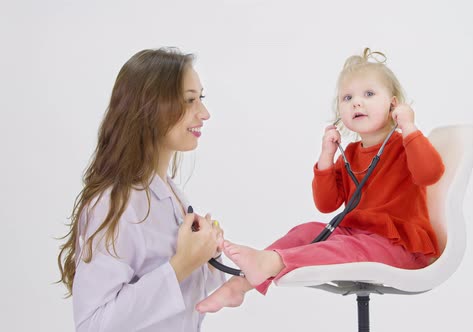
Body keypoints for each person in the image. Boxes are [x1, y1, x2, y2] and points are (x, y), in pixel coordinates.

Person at [196, 48, 445, 313]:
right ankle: (239, 286)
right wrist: (326, 156)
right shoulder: (349, 154)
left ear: (394, 105)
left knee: (343, 245)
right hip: (357, 237)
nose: (357, 103)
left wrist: (409, 127)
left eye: (369, 94)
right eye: (347, 97)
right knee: (307, 231)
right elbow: (326, 204)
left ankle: (270, 263)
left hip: (401, 248)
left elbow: (430, 173)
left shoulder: (404, 144)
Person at [57, 48, 225, 331]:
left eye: (201, 98)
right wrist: (181, 265)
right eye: (190, 100)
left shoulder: (170, 193)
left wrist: (209, 256)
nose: (204, 113)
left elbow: (185, 302)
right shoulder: (114, 203)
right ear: (151, 107)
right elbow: (92, 324)